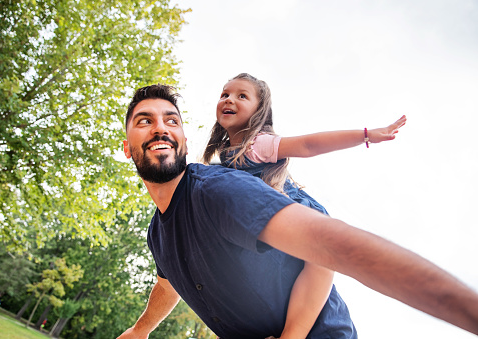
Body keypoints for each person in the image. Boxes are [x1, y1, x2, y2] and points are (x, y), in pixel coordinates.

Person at [118, 84, 478, 339]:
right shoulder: (159, 233)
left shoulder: (220, 187)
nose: (161, 127)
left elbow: (335, 247)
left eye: (171, 119)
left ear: (182, 138)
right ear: (126, 147)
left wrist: (467, 310)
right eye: (145, 121)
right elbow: (168, 284)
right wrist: (141, 329)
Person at [202, 73, 406, 338]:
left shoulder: (256, 144)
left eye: (242, 96)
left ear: (259, 111)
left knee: (321, 271)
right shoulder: (225, 158)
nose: (229, 99)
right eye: (225, 94)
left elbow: (309, 145)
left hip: (303, 222)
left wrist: (366, 135)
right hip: (279, 242)